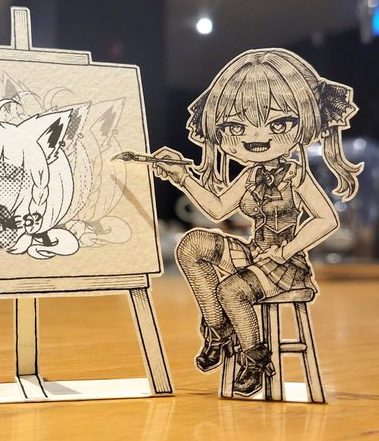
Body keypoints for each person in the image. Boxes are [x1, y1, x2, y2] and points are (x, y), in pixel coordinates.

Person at [152, 49, 361, 396]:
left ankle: (255, 358)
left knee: (231, 290)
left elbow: (326, 219)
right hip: (255, 254)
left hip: (286, 265)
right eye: (236, 127)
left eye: (278, 124)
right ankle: (218, 329)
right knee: (191, 245)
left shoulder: (295, 174)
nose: (256, 136)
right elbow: (218, 209)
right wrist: (182, 177)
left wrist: (286, 250)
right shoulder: (251, 174)